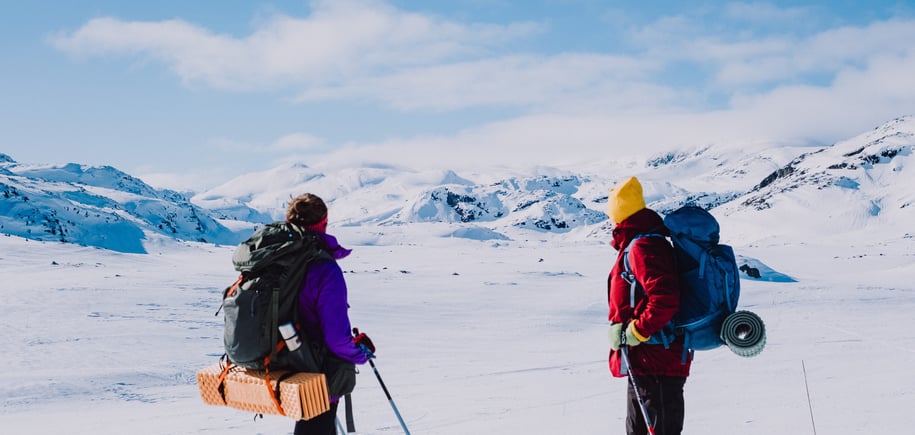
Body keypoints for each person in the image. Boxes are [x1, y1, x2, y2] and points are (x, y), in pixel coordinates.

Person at [605, 177, 691, 435]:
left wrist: (635, 332)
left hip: (656, 363)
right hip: (646, 362)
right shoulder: (638, 243)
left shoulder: (644, 246)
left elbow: (665, 298)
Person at [286, 193, 375, 435]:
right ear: (323, 224)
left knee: (307, 424)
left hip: (280, 362)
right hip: (317, 371)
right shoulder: (324, 270)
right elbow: (336, 338)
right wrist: (360, 352)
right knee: (315, 424)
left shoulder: (278, 260)